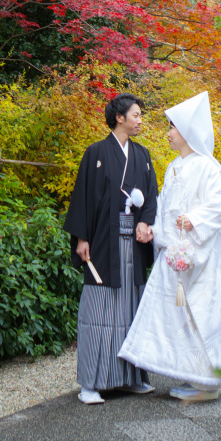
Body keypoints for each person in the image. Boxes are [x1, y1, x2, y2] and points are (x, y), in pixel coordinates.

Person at [119, 90, 221, 401]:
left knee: (200, 314)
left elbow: (220, 205)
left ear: (186, 132)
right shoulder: (173, 167)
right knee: (177, 316)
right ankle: (192, 375)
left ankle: (208, 381)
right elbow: (164, 208)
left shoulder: (209, 167)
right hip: (174, 255)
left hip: (199, 258)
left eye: (172, 127)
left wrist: (194, 220)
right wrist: (154, 231)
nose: (168, 133)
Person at [63, 93, 159, 404]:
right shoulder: (96, 153)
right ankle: (91, 383)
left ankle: (131, 377)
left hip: (133, 244)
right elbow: (84, 198)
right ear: (119, 117)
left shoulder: (143, 156)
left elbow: (152, 198)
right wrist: (81, 238)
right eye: (136, 114)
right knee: (99, 310)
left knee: (131, 308)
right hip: (104, 242)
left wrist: (146, 223)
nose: (140, 120)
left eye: (140, 115)